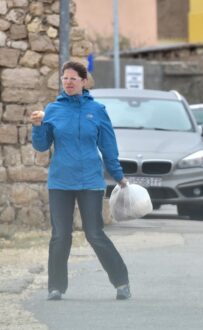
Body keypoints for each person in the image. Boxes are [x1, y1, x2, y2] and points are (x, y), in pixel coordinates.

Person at [30, 61, 131, 300]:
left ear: (84, 82)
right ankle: (56, 287)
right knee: (60, 235)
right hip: (60, 182)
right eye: (65, 78)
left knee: (94, 233)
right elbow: (41, 145)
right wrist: (37, 126)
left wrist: (119, 177)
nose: (68, 82)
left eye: (73, 78)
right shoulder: (52, 109)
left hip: (90, 182)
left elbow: (108, 147)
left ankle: (121, 282)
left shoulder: (97, 110)